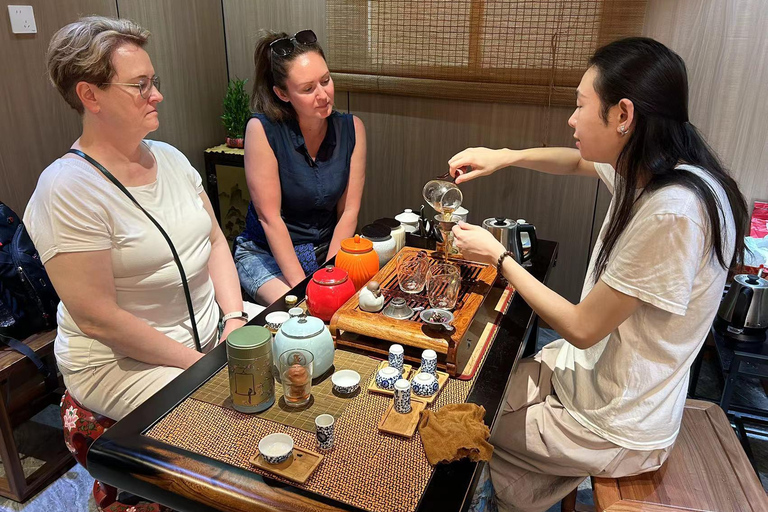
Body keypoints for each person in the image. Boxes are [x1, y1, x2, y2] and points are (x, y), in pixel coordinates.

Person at [449, 37, 748, 512]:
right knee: (482, 386)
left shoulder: (673, 212)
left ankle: (515, 494)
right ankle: (528, 489)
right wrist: (503, 154)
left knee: (467, 425)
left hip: (619, 422)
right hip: (595, 378)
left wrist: (498, 258)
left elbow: (583, 328)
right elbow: (576, 160)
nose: (572, 119)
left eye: (581, 106)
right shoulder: (657, 165)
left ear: (623, 115)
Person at [24, 16, 246, 421]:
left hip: (209, 334)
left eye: (154, 80)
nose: (156, 95)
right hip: (119, 364)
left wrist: (234, 319)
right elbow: (99, 319)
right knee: (226, 422)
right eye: (140, 85)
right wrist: (199, 365)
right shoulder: (66, 189)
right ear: (90, 96)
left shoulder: (171, 158)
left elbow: (214, 241)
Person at [233, 30, 366, 305]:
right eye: (308, 89)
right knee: (302, 314)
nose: (323, 95)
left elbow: (349, 212)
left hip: (327, 252)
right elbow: (270, 219)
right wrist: (307, 289)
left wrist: (331, 276)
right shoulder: (262, 130)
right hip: (267, 254)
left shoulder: (352, 128)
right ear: (282, 93)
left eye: (326, 81)